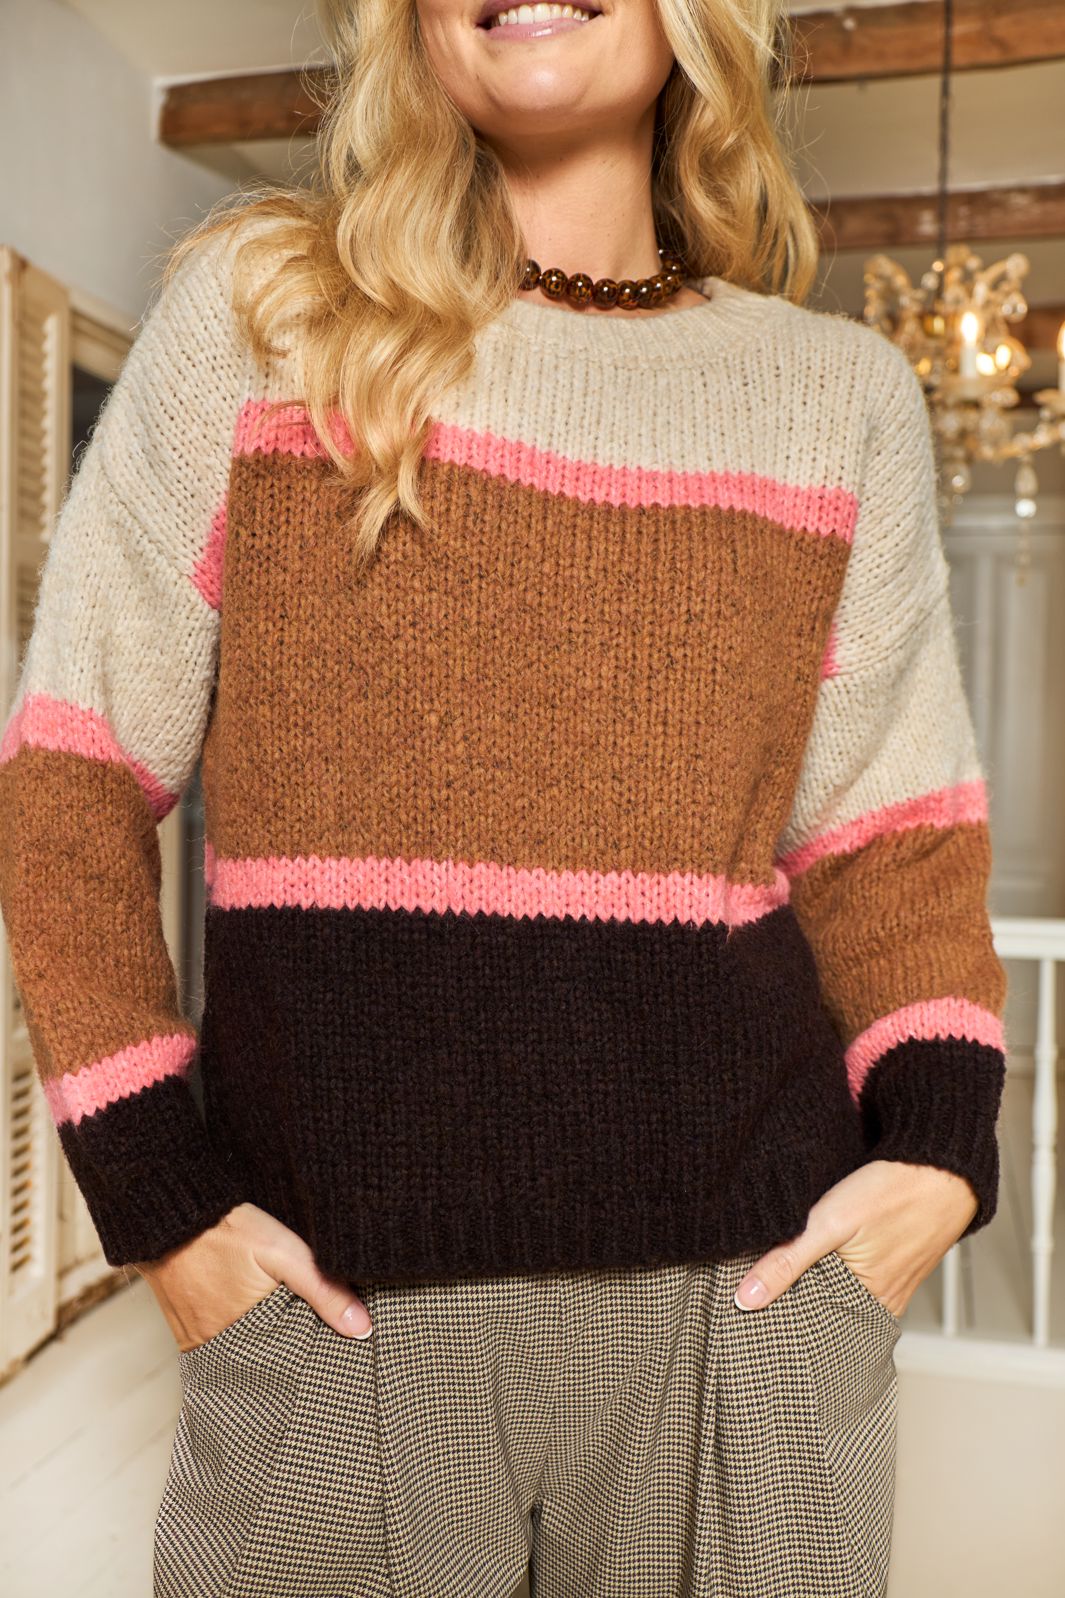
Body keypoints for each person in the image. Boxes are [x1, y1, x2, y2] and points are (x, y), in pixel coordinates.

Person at [0, 0, 1008, 1593]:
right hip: (336, 1303)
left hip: (740, 1299)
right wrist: (162, 1200)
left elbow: (891, 847)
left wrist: (938, 1153)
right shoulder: (262, 318)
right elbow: (66, 780)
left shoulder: (839, 394)